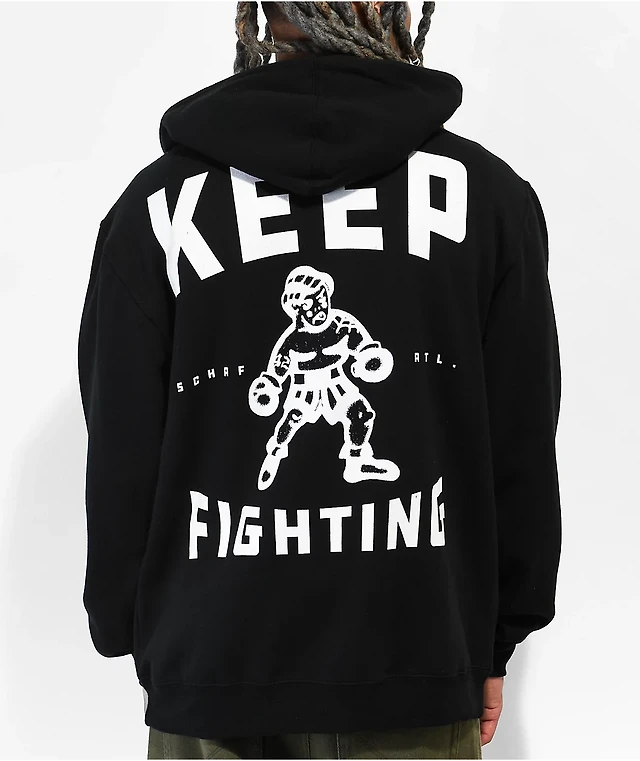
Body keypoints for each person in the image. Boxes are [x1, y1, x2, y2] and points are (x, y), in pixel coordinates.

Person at [76, 2, 562, 759]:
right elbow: (522, 439)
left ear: (265, 12)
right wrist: (497, 633)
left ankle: (348, 453)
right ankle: (283, 457)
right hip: (414, 657)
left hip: (215, 666)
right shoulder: (489, 198)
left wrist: (135, 628)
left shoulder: (153, 211)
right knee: (286, 428)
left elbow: (120, 443)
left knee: (353, 414)